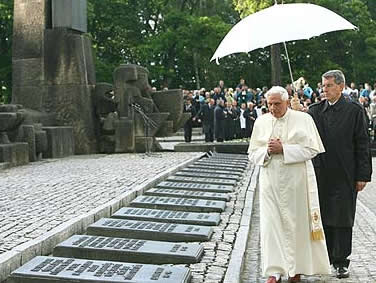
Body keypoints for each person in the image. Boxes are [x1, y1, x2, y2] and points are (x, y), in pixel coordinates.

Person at [248, 86, 331, 283]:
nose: (273, 108)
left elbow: (312, 149)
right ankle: (274, 271)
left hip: (296, 180)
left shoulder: (303, 119)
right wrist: (267, 151)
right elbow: (252, 153)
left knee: (297, 225)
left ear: (286, 102)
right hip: (271, 181)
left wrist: (284, 149)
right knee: (271, 226)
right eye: (269, 104)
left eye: (277, 104)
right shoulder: (261, 121)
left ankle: (296, 269)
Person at [307, 70, 372, 279]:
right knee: (324, 215)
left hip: (345, 173)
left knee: (343, 218)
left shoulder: (354, 110)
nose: (324, 90)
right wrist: (298, 111)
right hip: (321, 173)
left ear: (341, 87)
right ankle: (325, 257)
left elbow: (362, 143)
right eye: (322, 86)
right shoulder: (315, 111)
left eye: (328, 86)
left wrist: (363, 175)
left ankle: (341, 261)